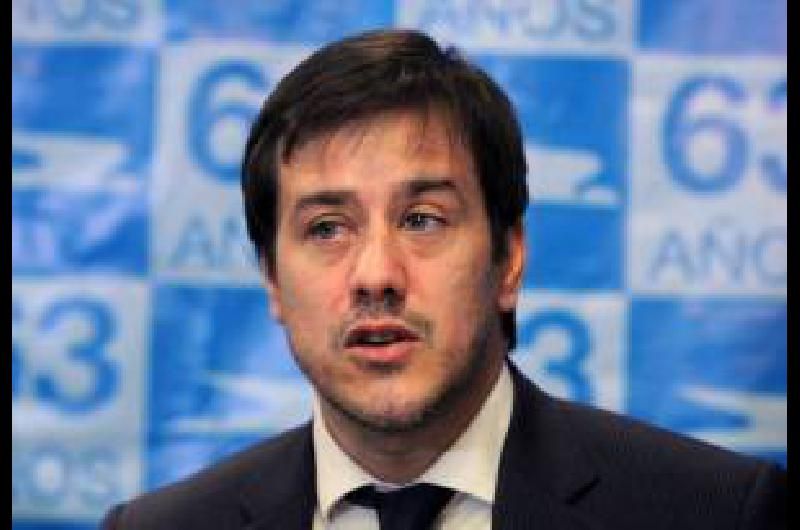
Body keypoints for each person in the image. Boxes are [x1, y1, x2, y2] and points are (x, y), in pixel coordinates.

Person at [102, 29, 786, 530]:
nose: (376, 275)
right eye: (328, 228)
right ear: (273, 282)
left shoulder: (715, 513)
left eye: (422, 220)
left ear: (508, 259)